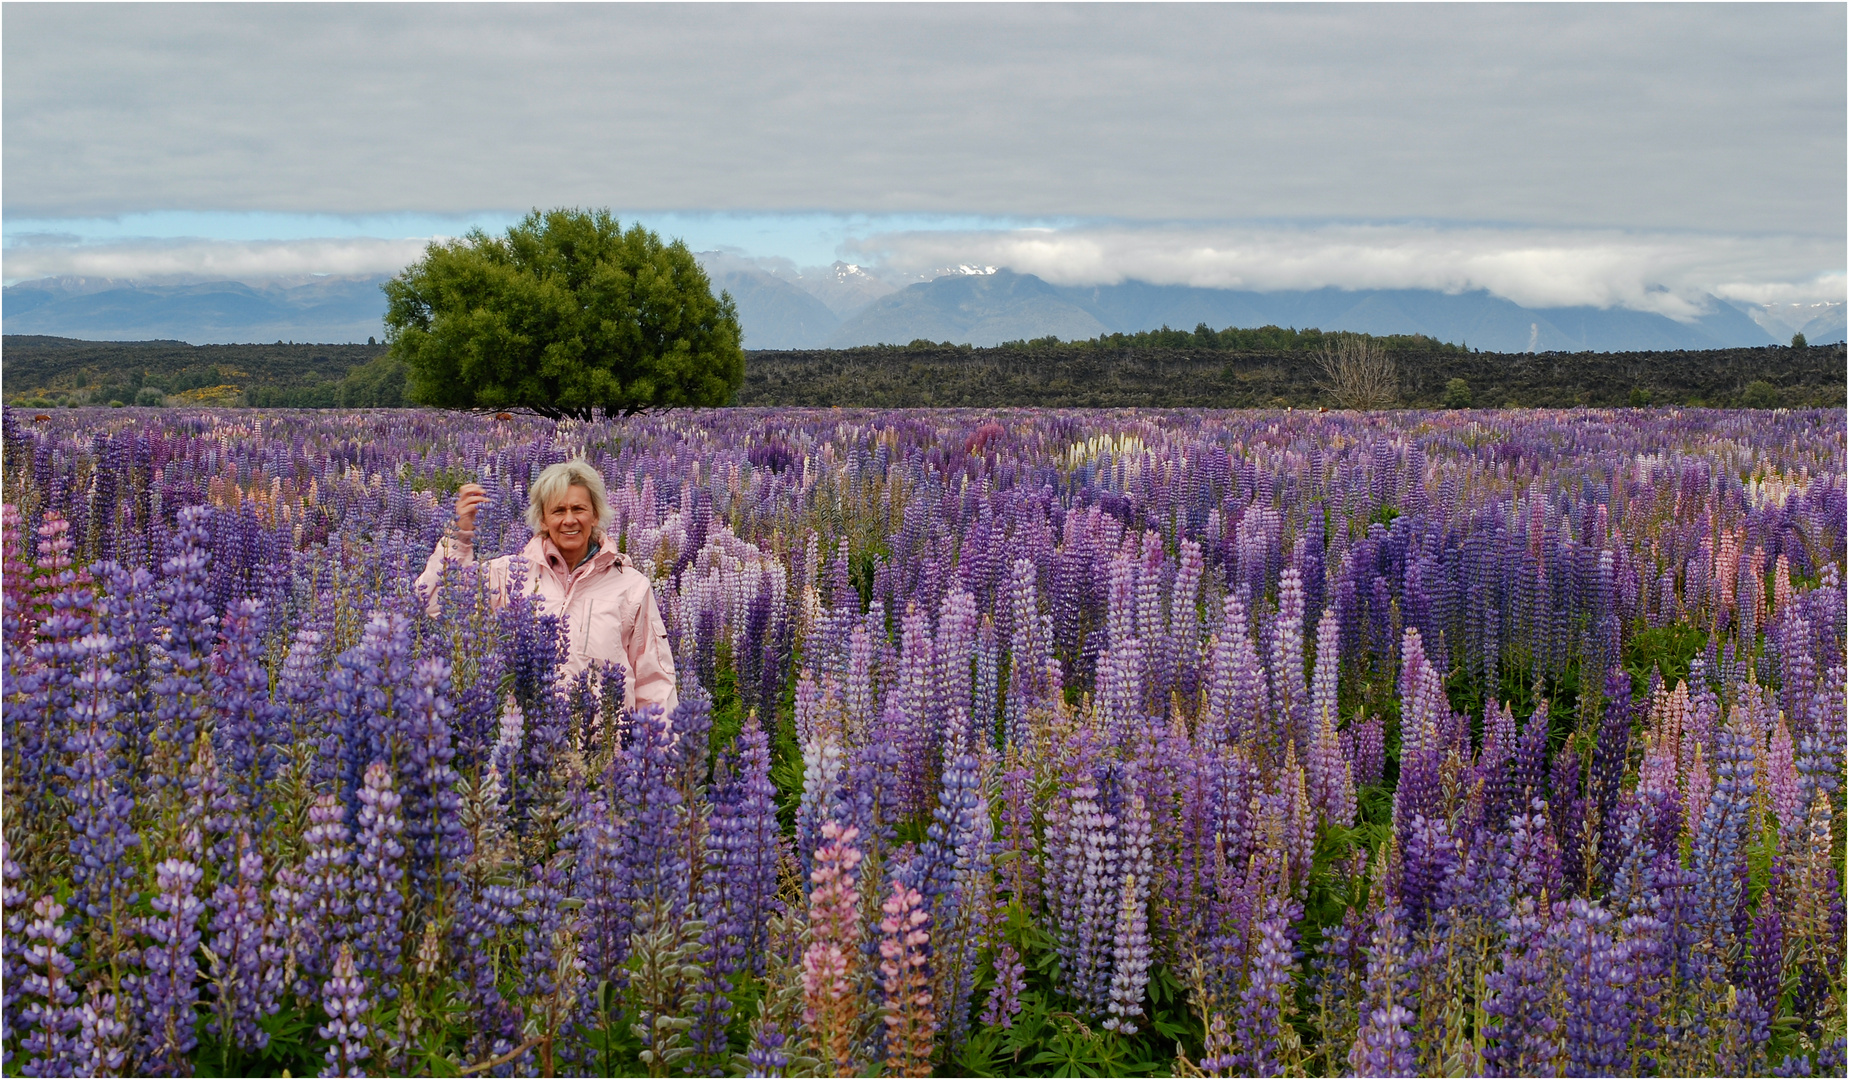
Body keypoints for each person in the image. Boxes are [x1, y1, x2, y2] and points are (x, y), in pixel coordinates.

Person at [417, 459, 678, 716]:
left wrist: (655, 753)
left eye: (579, 509)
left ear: (595, 515)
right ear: (542, 520)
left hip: (605, 750)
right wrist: (460, 536)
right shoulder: (510, 574)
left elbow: (654, 681)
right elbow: (436, 603)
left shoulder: (631, 586)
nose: (569, 520)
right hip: (525, 745)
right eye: (558, 511)